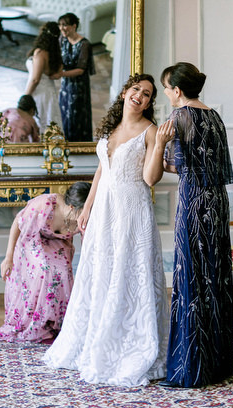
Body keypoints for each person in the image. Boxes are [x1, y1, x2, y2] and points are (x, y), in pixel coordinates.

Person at [43, 74, 172, 387]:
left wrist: (160, 145)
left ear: (149, 103)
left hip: (132, 210)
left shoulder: (150, 131)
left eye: (147, 94)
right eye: (136, 89)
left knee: (129, 272)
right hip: (104, 209)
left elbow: (151, 179)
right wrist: (87, 207)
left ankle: (129, 346)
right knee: (101, 270)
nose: (140, 96)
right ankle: (96, 338)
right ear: (125, 92)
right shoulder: (110, 127)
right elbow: (102, 169)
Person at [158, 62, 233, 389]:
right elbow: (215, 164)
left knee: (191, 274)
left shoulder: (180, 117)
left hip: (193, 201)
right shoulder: (214, 115)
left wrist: (157, 145)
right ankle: (218, 363)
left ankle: (190, 367)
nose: (165, 93)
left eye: (166, 88)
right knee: (214, 275)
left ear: (177, 90)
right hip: (217, 201)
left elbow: (173, 166)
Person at [0, 181, 91, 343]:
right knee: (44, 268)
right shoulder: (46, 205)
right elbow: (17, 223)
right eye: (84, 211)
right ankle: (35, 321)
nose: (88, 215)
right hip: (32, 238)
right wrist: (8, 257)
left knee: (63, 270)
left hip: (58, 243)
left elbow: (88, 246)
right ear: (72, 208)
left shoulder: (85, 217)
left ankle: (55, 322)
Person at [51, 12, 95, 142]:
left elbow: (81, 70)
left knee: (76, 115)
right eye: (60, 25)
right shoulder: (62, 40)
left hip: (79, 87)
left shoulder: (84, 44)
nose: (61, 28)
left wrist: (61, 74)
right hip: (65, 85)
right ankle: (66, 142)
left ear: (74, 26)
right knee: (64, 113)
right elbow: (58, 59)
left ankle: (78, 144)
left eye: (65, 25)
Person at [25, 21, 63, 134]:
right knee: (50, 121)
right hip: (50, 91)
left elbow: (35, 79)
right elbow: (56, 74)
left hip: (39, 92)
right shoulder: (55, 53)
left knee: (41, 122)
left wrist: (26, 96)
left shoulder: (40, 53)